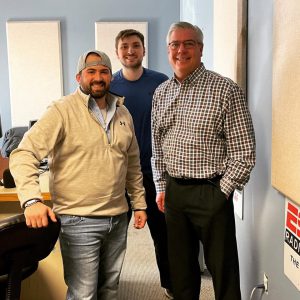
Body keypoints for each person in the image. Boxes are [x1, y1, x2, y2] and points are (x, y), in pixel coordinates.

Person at [10, 50, 147, 300]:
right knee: (83, 294)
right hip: (78, 220)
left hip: (118, 218)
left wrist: (138, 204)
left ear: (110, 77)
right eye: (91, 71)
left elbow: (132, 163)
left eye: (104, 71)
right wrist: (31, 200)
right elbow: (23, 153)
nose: (98, 76)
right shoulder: (62, 110)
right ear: (79, 77)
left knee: (109, 290)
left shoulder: (122, 112)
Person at [151, 22, 256, 300]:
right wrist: (161, 186)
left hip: (210, 191)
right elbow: (157, 147)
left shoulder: (225, 90)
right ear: (168, 49)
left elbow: (244, 152)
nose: (181, 50)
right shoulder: (161, 93)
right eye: (175, 44)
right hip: (175, 194)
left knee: (223, 271)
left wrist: (221, 192)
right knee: (182, 272)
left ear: (200, 48)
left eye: (189, 43)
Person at [110, 29, 173, 299]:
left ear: (144, 50)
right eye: (125, 46)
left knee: (164, 235)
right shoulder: (109, 86)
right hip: (119, 175)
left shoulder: (160, 81)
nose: (130, 51)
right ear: (117, 52)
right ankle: (108, 287)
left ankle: (172, 284)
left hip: (155, 172)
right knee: (113, 238)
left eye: (136, 45)